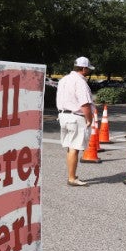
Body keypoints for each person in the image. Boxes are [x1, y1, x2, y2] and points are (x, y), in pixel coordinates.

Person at [56, 56, 95, 186]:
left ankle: (71, 174)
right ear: (83, 68)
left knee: (70, 147)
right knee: (75, 148)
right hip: (75, 117)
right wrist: (90, 119)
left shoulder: (64, 80)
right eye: (88, 69)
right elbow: (85, 104)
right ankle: (72, 178)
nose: (89, 71)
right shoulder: (80, 82)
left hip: (63, 115)